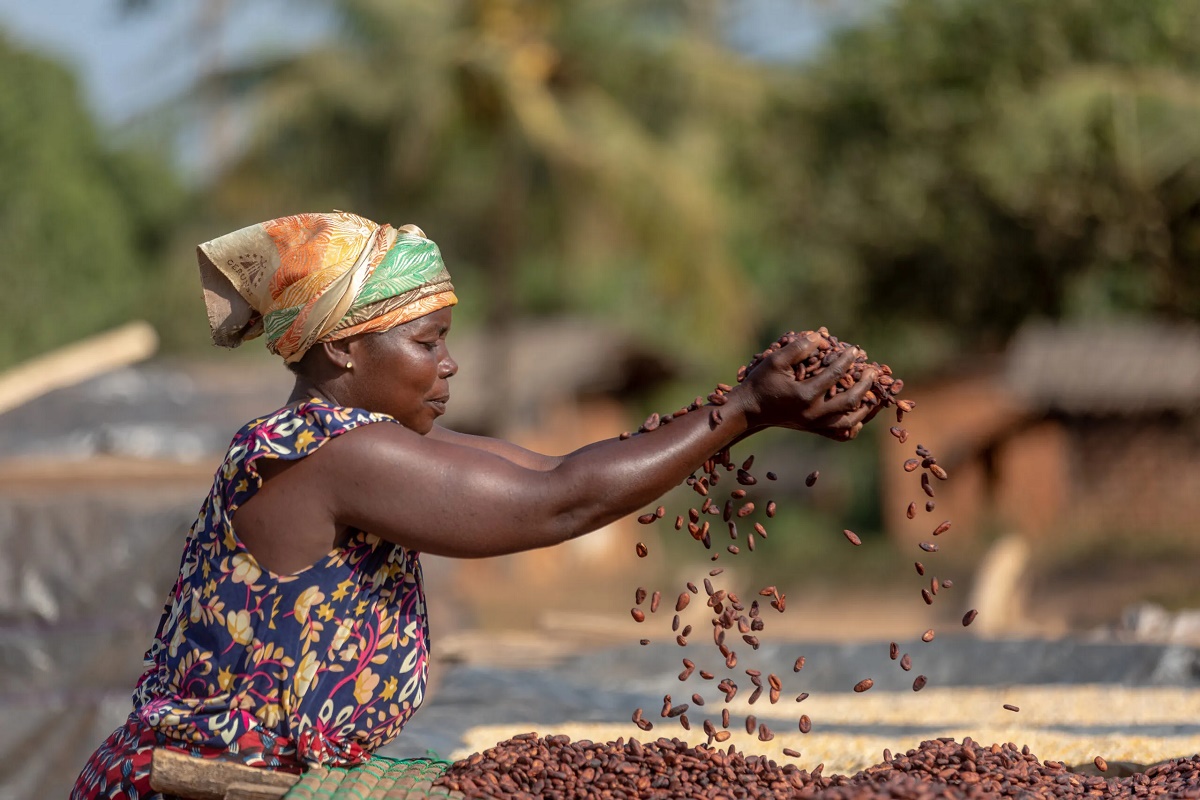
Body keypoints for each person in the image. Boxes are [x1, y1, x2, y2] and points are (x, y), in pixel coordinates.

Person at [72, 211, 880, 799]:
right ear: (345, 347)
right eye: (426, 344)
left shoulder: (360, 441)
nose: (449, 367)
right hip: (202, 786)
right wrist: (741, 411)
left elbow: (557, 469)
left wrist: (743, 410)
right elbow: (554, 506)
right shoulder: (334, 453)